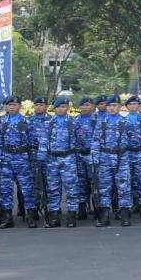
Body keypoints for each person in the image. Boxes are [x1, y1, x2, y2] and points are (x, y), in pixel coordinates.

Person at [0, 95, 36, 229]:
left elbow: (33, 142)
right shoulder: (2, 121)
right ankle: (7, 218)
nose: (12, 107)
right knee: (5, 189)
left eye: (14, 105)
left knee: (27, 188)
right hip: (6, 159)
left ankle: (30, 216)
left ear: (20, 107)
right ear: (6, 106)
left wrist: (33, 160)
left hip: (22, 158)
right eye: (9, 105)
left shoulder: (26, 121)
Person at [37, 97, 80, 228]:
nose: (61, 109)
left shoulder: (73, 123)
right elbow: (43, 142)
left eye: (63, 106)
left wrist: (75, 157)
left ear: (67, 108)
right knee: (53, 189)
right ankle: (54, 216)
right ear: (54, 109)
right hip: (52, 160)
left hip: (68, 159)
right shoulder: (47, 123)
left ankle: (72, 216)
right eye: (58, 107)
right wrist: (41, 159)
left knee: (71, 188)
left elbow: (79, 142)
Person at [91, 95, 132, 227]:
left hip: (121, 158)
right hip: (104, 159)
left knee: (124, 187)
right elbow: (95, 142)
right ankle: (104, 216)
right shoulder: (101, 122)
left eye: (114, 105)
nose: (112, 108)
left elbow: (133, 140)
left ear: (120, 106)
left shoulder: (126, 122)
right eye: (109, 105)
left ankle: (125, 215)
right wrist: (95, 160)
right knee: (104, 188)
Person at [124, 95, 141, 219]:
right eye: (131, 104)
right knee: (127, 182)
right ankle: (128, 207)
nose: (134, 106)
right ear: (127, 107)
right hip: (127, 154)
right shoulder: (123, 121)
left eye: (136, 104)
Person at [75, 97, 98, 219]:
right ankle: (82, 208)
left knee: (94, 182)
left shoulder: (99, 120)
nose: (85, 107)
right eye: (82, 105)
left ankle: (97, 208)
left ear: (93, 106)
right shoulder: (74, 121)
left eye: (88, 105)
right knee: (80, 183)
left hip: (93, 156)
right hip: (79, 157)